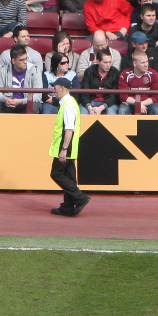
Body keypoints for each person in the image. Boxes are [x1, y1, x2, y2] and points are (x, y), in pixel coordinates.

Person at [47, 76, 89, 217]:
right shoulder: (69, 102)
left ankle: (80, 197)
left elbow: (69, 128)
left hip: (65, 145)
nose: (54, 90)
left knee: (57, 174)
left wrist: (64, 149)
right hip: (71, 145)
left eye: (55, 88)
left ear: (62, 88)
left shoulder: (68, 105)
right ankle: (68, 207)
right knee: (69, 176)